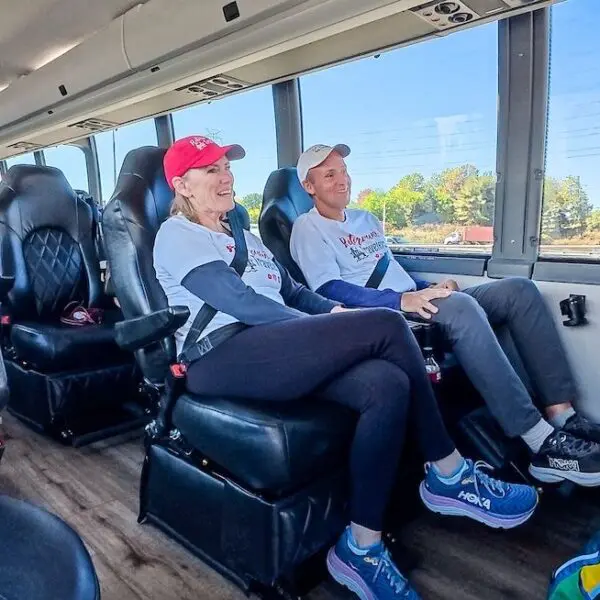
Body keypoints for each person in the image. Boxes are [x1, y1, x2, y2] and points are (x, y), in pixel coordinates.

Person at [153, 135, 539, 600]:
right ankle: (448, 472)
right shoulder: (176, 235)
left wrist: (337, 320)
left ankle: (361, 546)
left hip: (272, 343)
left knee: (387, 383)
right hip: (220, 356)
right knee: (387, 324)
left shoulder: (245, 235)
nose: (226, 175)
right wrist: (334, 332)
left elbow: (292, 293)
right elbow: (241, 302)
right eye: (211, 169)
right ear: (183, 185)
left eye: (225, 166)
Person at [289, 143, 600, 488]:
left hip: (412, 300)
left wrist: (432, 286)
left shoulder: (367, 220)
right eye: (329, 174)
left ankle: (562, 415)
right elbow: (328, 289)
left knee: (519, 291)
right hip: (385, 316)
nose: (341, 179)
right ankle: (539, 441)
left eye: (343, 170)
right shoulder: (307, 228)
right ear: (308, 186)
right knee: (462, 307)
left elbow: (392, 272)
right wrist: (403, 299)